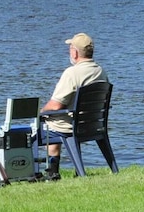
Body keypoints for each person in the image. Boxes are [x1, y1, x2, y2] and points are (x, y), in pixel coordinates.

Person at [41, 33, 108, 180]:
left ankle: (51, 171)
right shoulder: (100, 71)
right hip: (93, 125)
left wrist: (41, 111)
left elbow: (56, 105)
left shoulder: (71, 73)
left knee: (43, 125)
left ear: (75, 52)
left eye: (70, 48)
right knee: (52, 120)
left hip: (71, 126)